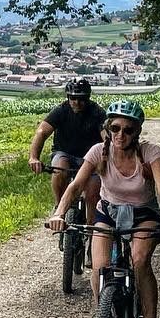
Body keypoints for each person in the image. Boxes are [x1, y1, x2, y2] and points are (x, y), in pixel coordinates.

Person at [44, 99, 160, 318]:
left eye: (128, 129)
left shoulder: (150, 153)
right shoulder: (98, 153)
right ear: (108, 128)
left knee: (140, 260)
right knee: (99, 267)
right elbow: (76, 185)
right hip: (108, 212)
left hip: (143, 214)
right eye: (115, 128)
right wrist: (59, 213)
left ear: (138, 132)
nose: (121, 134)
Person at [28, 78, 104, 234]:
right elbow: (42, 132)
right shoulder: (61, 110)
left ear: (88, 98)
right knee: (59, 169)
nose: (77, 102)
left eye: (81, 98)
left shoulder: (97, 113)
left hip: (90, 159)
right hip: (65, 153)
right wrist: (34, 157)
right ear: (68, 97)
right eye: (73, 98)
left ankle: (92, 230)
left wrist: (109, 160)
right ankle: (59, 208)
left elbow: (106, 138)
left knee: (92, 191)